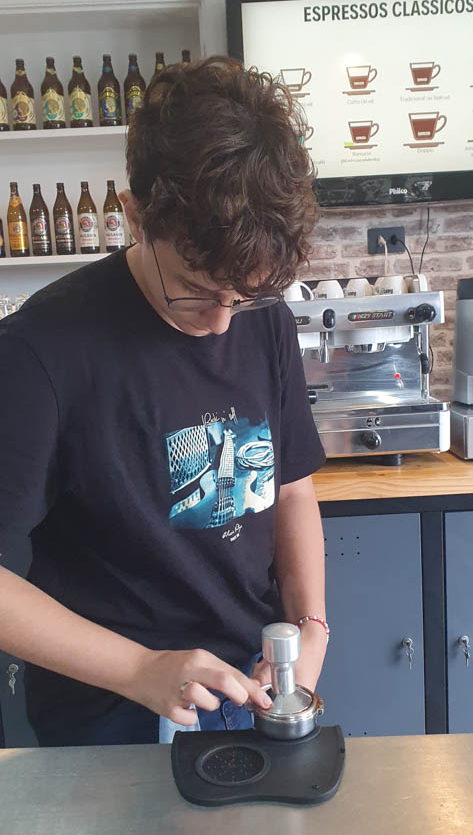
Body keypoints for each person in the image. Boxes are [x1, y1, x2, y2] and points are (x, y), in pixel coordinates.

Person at [0, 56, 327, 747]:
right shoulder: (39, 353)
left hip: (254, 683)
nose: (222, 324)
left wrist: (310, 627)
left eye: (244, 297)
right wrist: (141, 669)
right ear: (134, 215)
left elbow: (291, 489)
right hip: (112, 711)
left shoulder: (262, 315)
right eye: (195, 292)